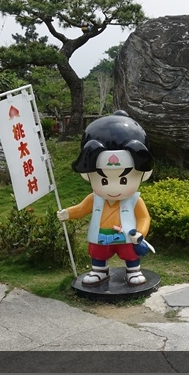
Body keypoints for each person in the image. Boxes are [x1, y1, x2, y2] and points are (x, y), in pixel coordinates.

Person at [57, 111, 155, 286]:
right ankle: (99, 271)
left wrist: (140, 232)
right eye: (103, 179)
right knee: (98, 253)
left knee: (130, 252)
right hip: (101, 236)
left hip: (126, 236)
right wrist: (67, 213)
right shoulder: (94, 198)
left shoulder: (134, 200)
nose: (113, 188)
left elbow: (144, 217)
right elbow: (81, 208)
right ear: (88, 175)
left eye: (123, 179)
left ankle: (133, 270)